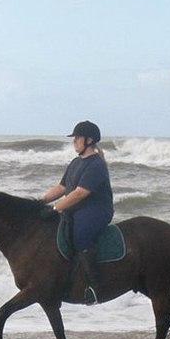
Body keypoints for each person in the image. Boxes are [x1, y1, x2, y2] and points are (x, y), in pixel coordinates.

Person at [41, 120, 114, 304]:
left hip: (96, 210)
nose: (74, 141)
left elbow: (81, 193)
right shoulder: (76, 162)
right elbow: (62, 187)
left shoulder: (96, 164)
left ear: (89, 140)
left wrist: (57, 208)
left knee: (80, 235)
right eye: (74, 138)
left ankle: (95, 287)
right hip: (79, 208)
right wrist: (39, 202)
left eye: (77, 138)